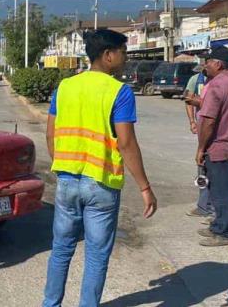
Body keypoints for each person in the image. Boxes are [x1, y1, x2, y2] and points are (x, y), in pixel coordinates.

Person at [43, 29, 157, 306]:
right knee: (96, 255)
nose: (126, 58)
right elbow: (127, 143)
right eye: (123, 52)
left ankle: (50, 304)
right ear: (108, 55)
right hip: (101, 183)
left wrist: (61, 165)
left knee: (61, 249)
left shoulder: (65, 87)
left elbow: (50, 134)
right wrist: (145, 187)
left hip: (67, 180)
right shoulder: (119, 91)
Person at [195, 45, 228, 247]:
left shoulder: (217, 86)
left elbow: (208, 121)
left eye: (208, 62)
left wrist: (201, 148)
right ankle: (218, 225)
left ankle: (223, 232)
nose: (205, 66)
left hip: (218, 146)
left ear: (217, 64)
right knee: (225, 188)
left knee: (221, 191)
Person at [183, 65, 213, 219]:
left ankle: (207, 206)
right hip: (203, 126)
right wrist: (192, 121)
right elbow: (188, 100)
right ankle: (204, 205)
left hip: (212, 128)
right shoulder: (196, 80)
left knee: (206, 165)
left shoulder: (219, 83)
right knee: (202, 167)